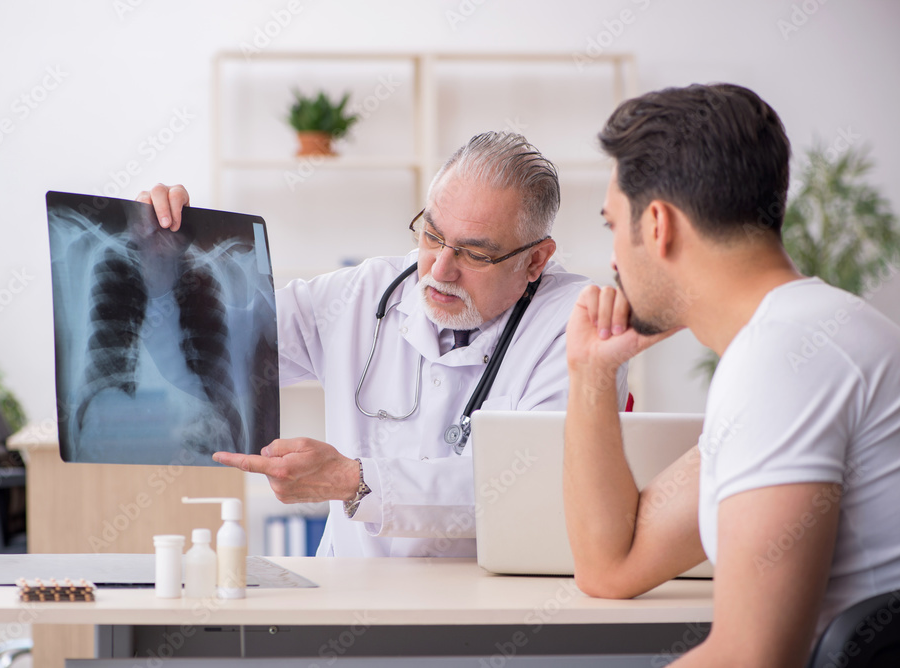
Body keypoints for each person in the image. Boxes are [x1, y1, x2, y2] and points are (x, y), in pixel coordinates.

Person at [139, 131, 629, 558]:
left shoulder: (578, 324)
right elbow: (206, 353)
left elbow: (542, 485)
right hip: (346, 595)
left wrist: (356, 481)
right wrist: (168, 269)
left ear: (536, 260)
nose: (439, 269)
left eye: (475, 253)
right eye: (432, 235)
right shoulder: (362, 293)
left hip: (488, 611)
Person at [562, 82, 900, 665]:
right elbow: (610, 567)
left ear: (659, 225)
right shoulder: (808, 336)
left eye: (612, 225)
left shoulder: (783, 360)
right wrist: (589, 374)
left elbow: (753, 657)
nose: (614, 260)